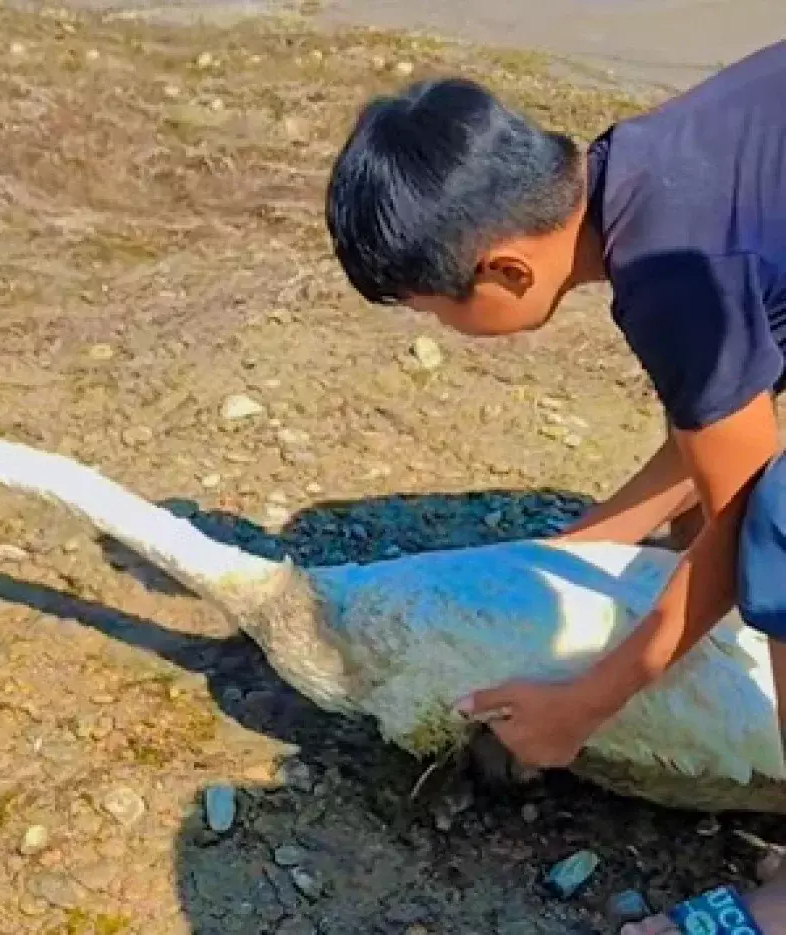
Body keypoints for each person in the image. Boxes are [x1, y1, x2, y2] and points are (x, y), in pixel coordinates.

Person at [325, 40, 786, 934]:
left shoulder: (668, 270)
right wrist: (583, 545)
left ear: (504, 271)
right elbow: (724, 421)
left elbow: (739, 520)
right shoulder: (655, 170)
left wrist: (585, 702)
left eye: (433, 311)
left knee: (779, 528)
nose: (445, 330)